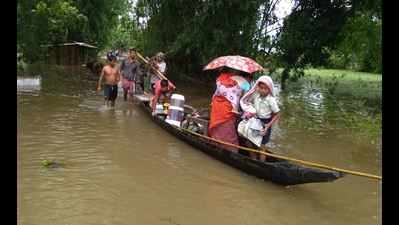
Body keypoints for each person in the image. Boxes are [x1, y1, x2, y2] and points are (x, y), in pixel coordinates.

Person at [208, 68, 252, 153]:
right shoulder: (242, 83)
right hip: (225, 111)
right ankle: (229, 150)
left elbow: (216, 95)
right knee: (227, 134)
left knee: (223, 131)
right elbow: (243, 100)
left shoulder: (222, 79)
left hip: (220, 109)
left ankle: (217, 145)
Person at [239, 75, 280, 161]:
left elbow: (277, 114)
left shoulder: (271, 100)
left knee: (262, 146)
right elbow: (246, 100)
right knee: (249, 141)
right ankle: (253, 159)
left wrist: (268, 126)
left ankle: (261, 163)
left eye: (266, 88)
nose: (263, 90)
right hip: (255, 121)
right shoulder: (256, 96)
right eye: (261, 88)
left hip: (265, 123)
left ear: (270, 89)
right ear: (258, 87)